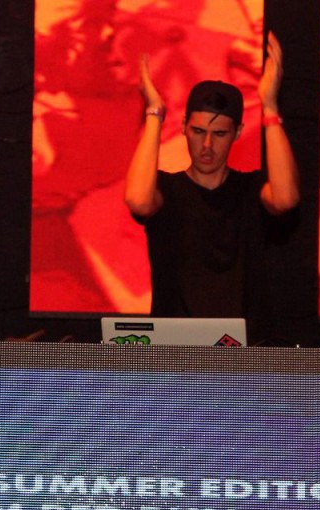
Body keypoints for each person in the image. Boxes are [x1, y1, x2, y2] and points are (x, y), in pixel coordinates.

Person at [122, 32, 300, 338]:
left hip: (245, 348)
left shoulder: (251, 188)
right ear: (183, 128)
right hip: (174, 346)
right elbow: (138, 200)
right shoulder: (166, 189)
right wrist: (154, 114)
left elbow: (286, 199)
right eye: (198, 131)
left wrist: (270, 109)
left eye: (219, 134)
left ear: (237, 133)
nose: (207, 145)